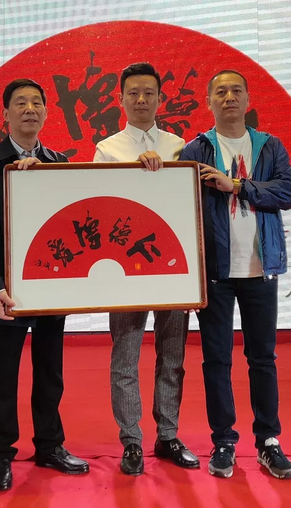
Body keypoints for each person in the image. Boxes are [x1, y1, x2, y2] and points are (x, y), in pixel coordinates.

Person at [180, 70, 291, 479]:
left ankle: (268, 440)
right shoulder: (196, 149)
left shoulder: (270, 146)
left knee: (262, 358)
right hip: (215, 271)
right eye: (220, 91)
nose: (229, 96)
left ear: (248, 100)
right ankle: (223, 442)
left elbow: (289, 192)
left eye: (236, 90)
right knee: (216, 359)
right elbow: (180, 208)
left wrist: (236, 186)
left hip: (260, 269)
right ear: (209, 101)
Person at [0, 78, 89, 492]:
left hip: (51, 286)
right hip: (8, 292)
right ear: (5, 114)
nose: (29, 109)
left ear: (46, 112)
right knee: (3, 374)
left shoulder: (58, 162)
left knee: (50, 371)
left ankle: (50, 446)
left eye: (36, 102)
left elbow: (73, 224)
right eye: (20, 103)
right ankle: (1, 454)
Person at [94, 62, 199, 476]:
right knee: (125, 357)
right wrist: (135, 173)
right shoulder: (107, 148)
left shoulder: (181, 146)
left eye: (149, 93)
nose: (141, 100)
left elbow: (190, 206)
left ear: (160, 98)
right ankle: (132, 441)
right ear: (120, 99)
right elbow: (100, 207)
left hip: (172, 267)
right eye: (133, 93)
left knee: (172, 356)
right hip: (124, 270)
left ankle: (168, 435)